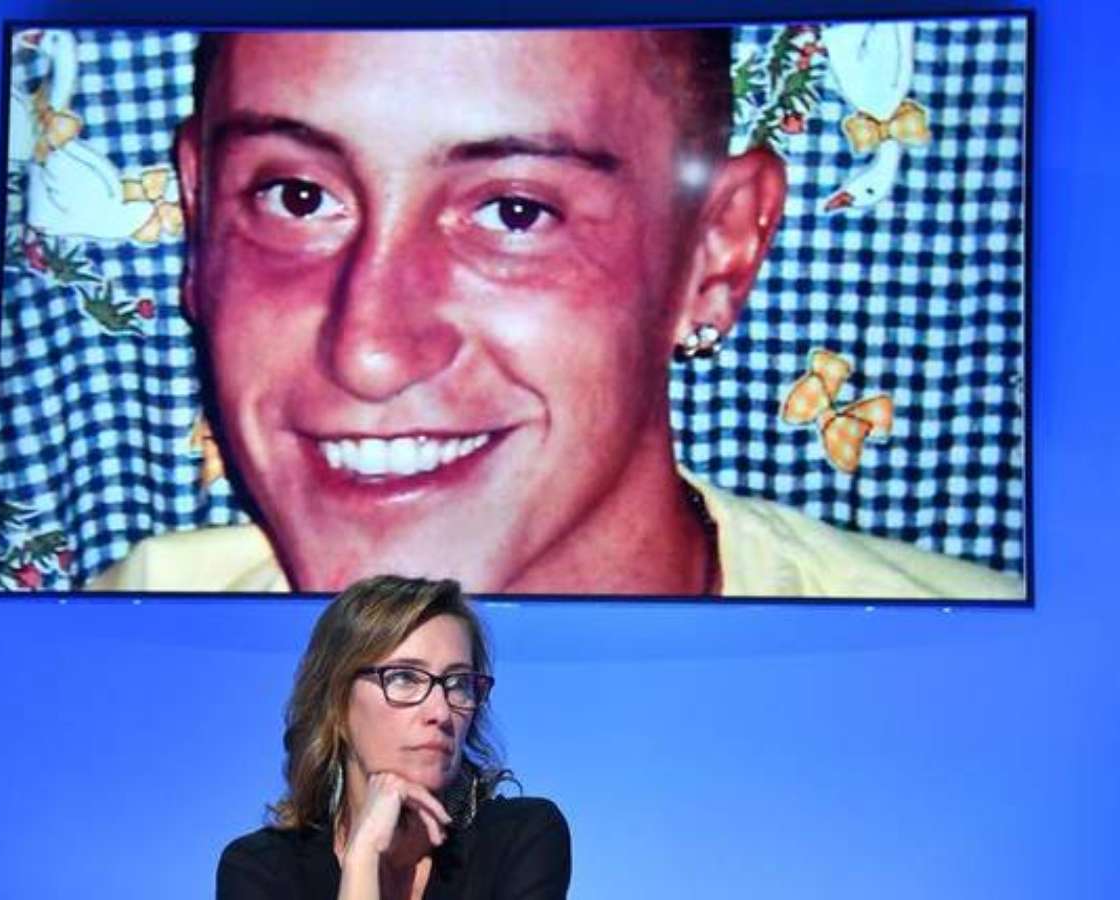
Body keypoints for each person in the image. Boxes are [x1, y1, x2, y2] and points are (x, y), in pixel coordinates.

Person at [92, 27, 1022, 599]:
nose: (368, 351)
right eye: (296, 198)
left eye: (515, 212)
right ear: (200, 216)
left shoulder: (978, 676)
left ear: (717, 251)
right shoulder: (123, 636)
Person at [217, 574, 570, 899]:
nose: (441, 712)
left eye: (458, 683)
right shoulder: (261, 870)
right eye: (404, 678)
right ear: (336, 705)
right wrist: (363, 855)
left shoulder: (519, 837)